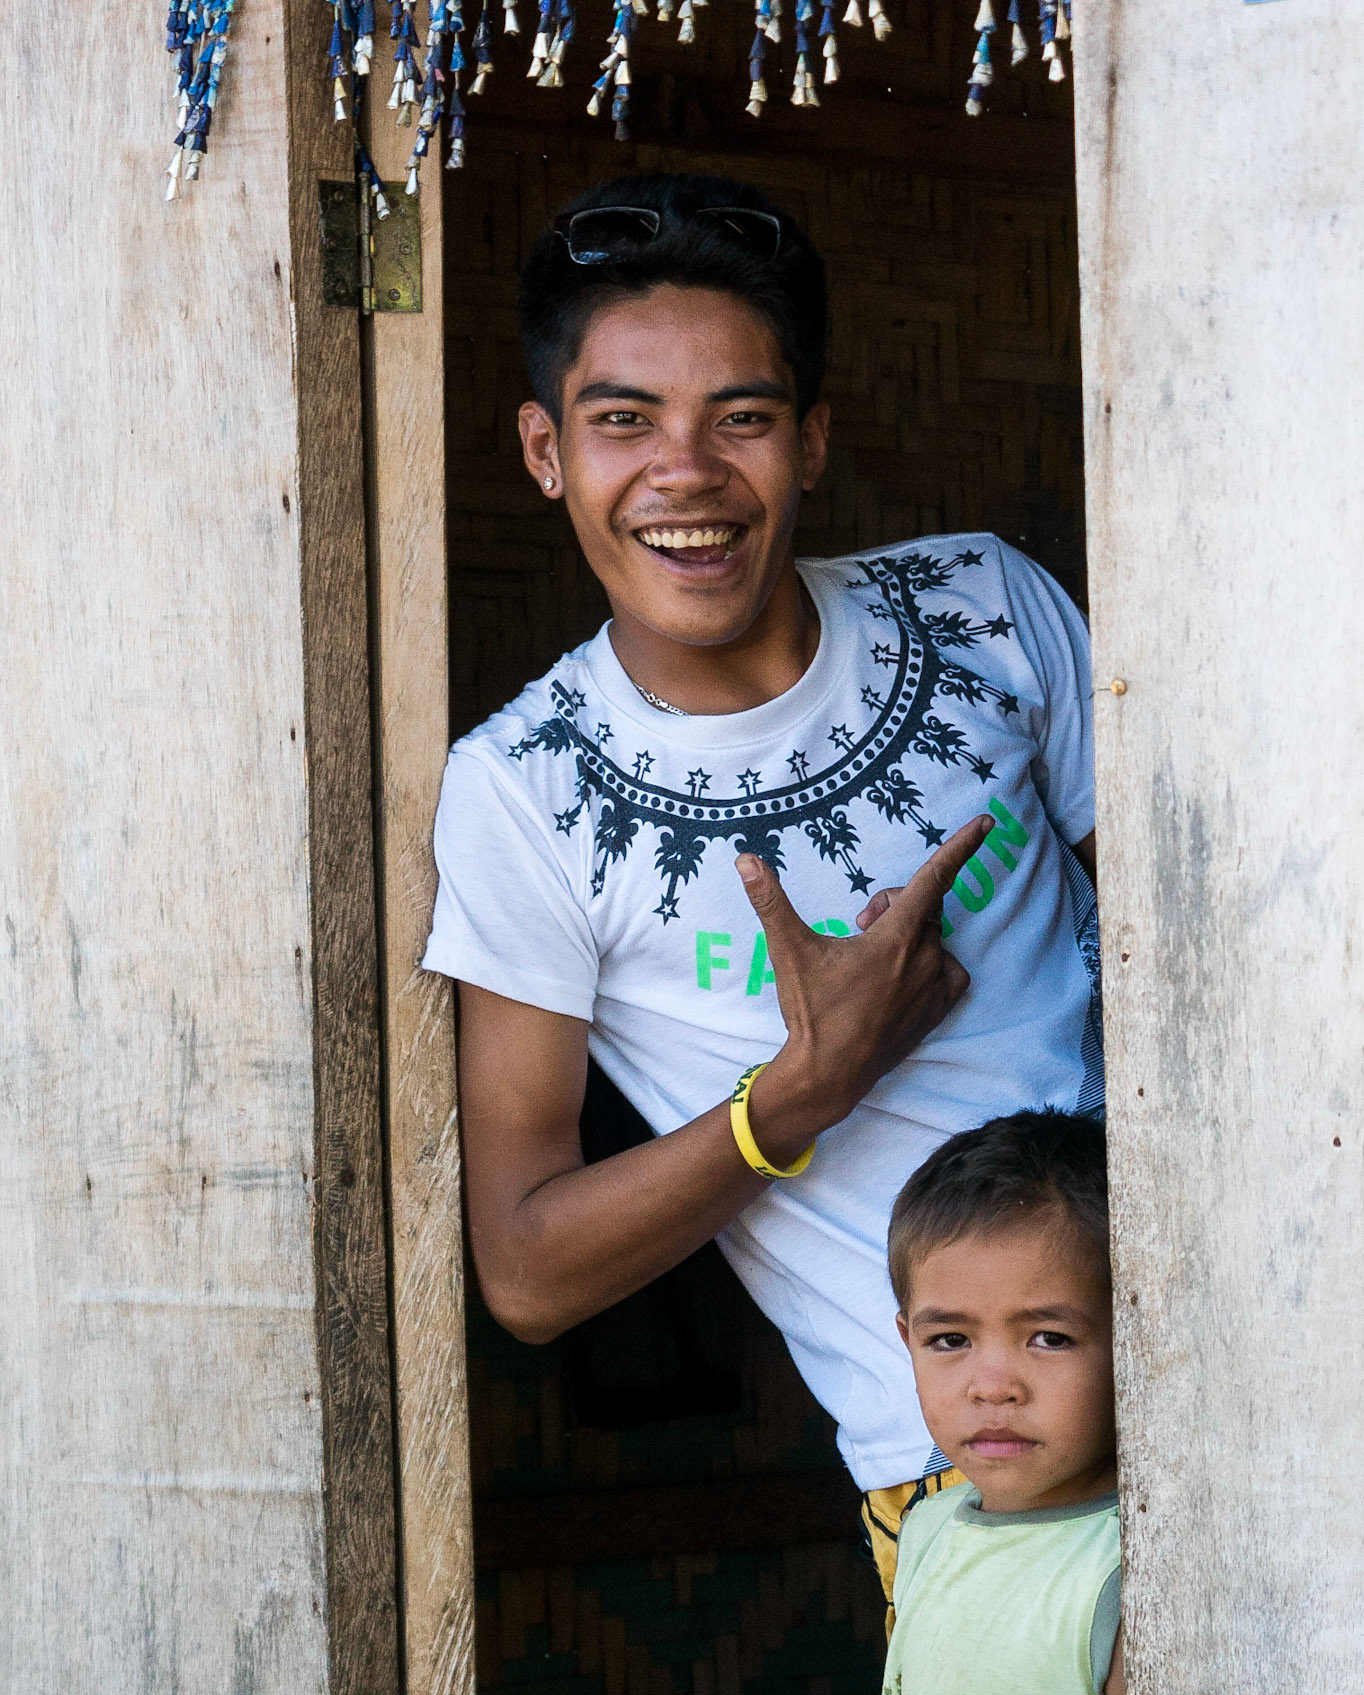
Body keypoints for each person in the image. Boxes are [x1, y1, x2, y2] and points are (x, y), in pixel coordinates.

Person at [421, 171, 1102, 1586]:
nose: (687, 473)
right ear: (545, 452)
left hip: (1254, 1357)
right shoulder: (524, 792)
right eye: (624, 422)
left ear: (813, 441)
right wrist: (801, 1092)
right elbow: (527, 1270)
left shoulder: (985, 607)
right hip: (970, 1482)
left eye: (743, 417)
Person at [720, 1110, 1126, 1695]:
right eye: (951, 1340)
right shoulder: (933, 1531)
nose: (993, 1382)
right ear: (903, 1337)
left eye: (1049, 1338)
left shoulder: (1122, 1574)